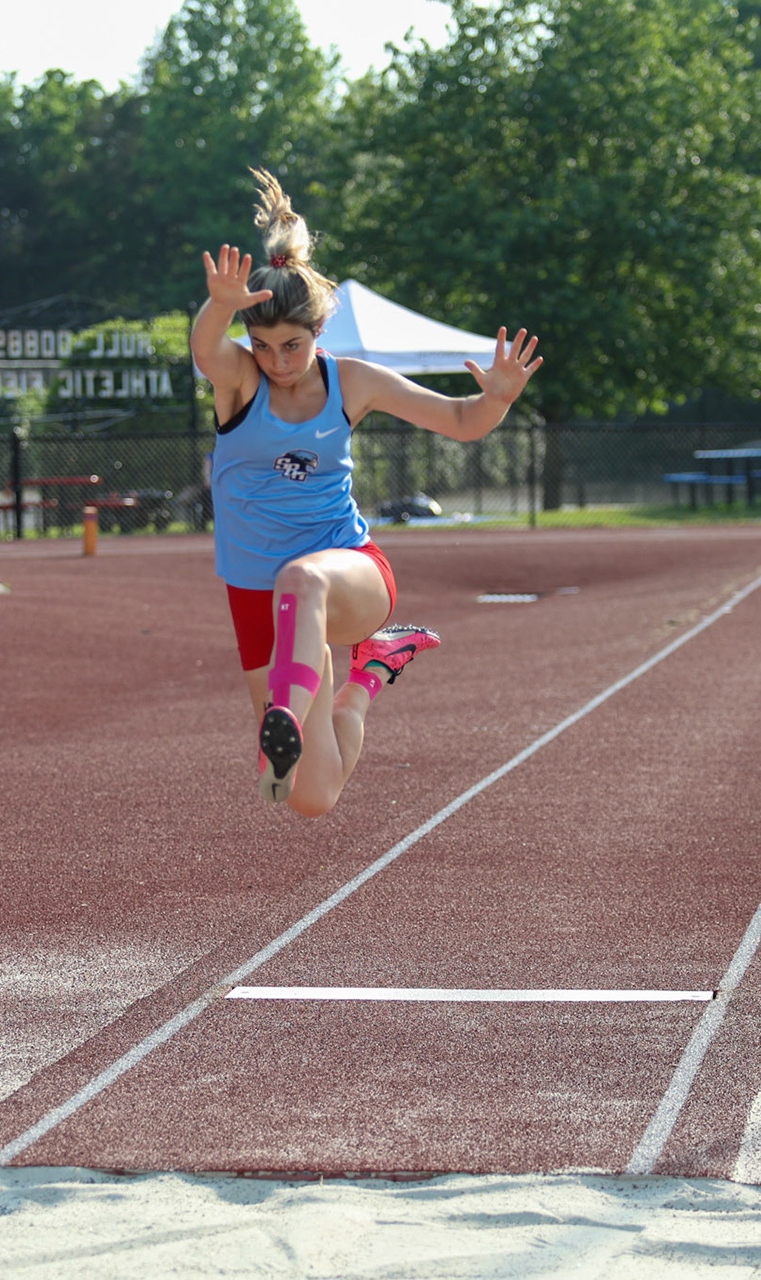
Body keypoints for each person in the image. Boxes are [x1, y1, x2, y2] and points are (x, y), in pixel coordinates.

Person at [193, 170, 542, 815]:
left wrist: (495, 399)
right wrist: (219, 305)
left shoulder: (352, 382)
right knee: (312, 798)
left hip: (346, 569)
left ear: (320, 332)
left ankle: (287, 724)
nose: (279, 361)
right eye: (264, 346)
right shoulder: (239, 380)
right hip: (253, 591)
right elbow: (208, 347)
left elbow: (463, 422)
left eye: (292, 345)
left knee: (303, 579)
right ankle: (367, 679)